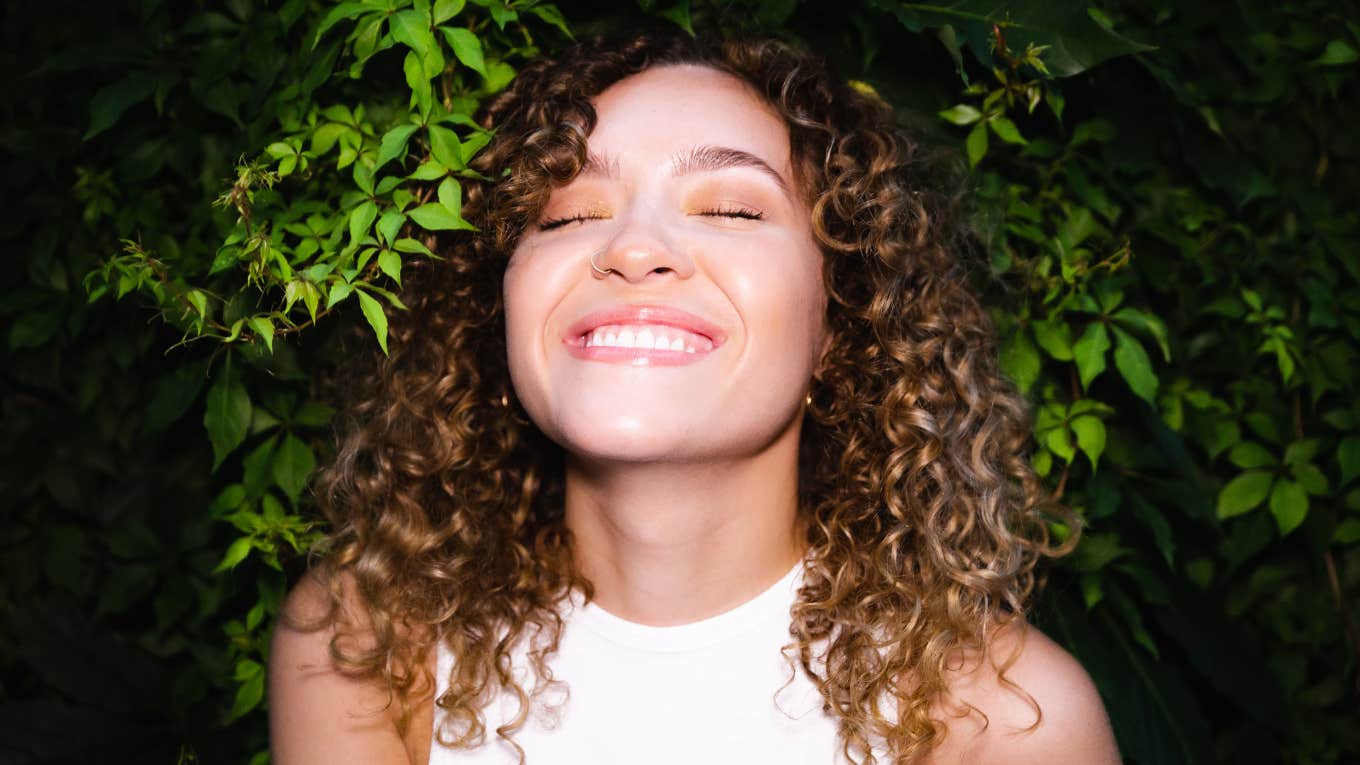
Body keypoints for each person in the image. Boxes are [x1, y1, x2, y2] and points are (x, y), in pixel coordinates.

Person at [269, 31, 1121, 765]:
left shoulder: (1002, 723)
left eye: (730, 209)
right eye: (567, 214)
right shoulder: (365, 645)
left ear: (843, 321)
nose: (634, 247)